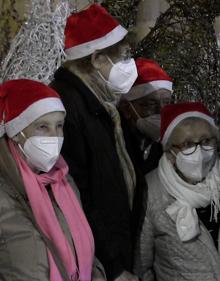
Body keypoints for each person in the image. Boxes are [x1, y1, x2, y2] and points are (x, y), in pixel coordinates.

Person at [50, 3, 139, 281]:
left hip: (120, 244)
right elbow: (80, 193)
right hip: (103, 259)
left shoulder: (102, 99)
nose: (129, 64)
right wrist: (113, 264)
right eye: (123, 57)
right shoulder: (69, 104)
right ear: (98, 58)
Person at [0, 79, 106, 281]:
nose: (54, 136)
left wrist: (97, 274)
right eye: (42, 126)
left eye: (59, 126)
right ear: (16, 132)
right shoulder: (5, 193)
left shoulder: (65, 181)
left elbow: (85, 251)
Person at [134, 102, 220, 281]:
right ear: (169, 151)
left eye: (206, 141)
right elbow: (141, 265)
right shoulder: (151, 191)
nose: (199, 151)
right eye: (187, 144)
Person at [119, 57, 173, 175]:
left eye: (166, 102)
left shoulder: (169, 147)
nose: (161, 110)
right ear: (126, 109)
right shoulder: (114, 144)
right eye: (150, 104)